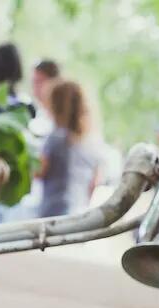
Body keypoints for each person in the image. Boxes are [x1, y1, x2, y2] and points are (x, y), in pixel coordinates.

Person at [36, 79, 102, 217]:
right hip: (79, 213)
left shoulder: (56, 138)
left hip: (53, 214)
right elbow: (94, 183)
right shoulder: (91, 143)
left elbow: (39, 171)